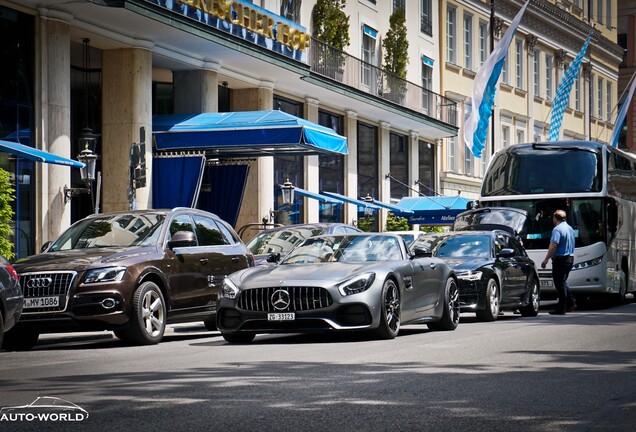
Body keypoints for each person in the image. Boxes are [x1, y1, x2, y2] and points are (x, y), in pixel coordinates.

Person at [541, 210, 576, 315]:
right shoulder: (570, 228)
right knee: (563, 282)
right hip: (570, 258)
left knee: (559, 283)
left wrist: (546, 259)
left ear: (555, 218)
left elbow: (553, 245)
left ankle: (561, 308)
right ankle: (571, 303)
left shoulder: (557, 229)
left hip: (561, 259)